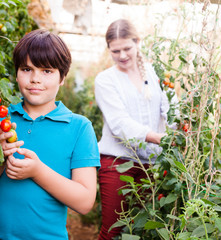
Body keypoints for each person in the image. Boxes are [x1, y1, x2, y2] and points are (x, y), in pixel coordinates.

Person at [0, 29, 101, 240]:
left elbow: (84, 202)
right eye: (27, 69)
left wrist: (37, 171)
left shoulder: (79, 128)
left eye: (47, 71)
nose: (35, 79)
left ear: (62, 77)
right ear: (16, 73)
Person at [94, 19, 178, 239]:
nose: (122, 55)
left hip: (153, 165)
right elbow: (119, 123)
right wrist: (158, 138)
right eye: (115, 51)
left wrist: (176, 134)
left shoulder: (155, 73)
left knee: (145, 229)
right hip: (118, 163)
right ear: (109, 49)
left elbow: (171, 109)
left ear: (138, 42)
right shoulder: (105, 80)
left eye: (127, 48)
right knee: (114, 229)